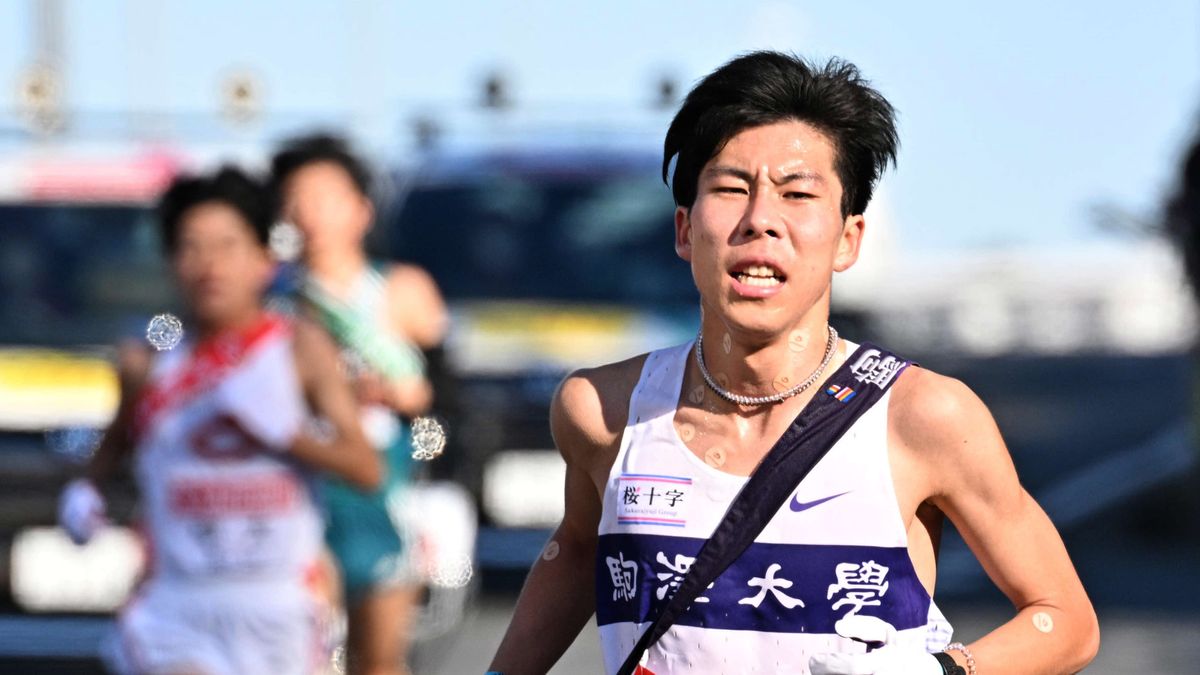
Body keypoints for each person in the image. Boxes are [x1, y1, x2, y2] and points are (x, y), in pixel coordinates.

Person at [487, 51, 1099, 675]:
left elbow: (1065, 621)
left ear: (848, 239)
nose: (760, 221)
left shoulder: (923, 417)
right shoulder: (603, 412)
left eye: (797, 193)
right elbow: (580, 552)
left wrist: (943, 671)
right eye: (730, 189)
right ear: (683, 229)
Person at [58, 166, 381, 675]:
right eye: (191, 247)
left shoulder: (299, 348)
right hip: (177, 604)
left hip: (278, 607)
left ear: (263, 259)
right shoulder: (149, 361)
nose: (209, 265)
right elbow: (118, 444)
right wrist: (85, 496)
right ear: (170, 261)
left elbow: (365, 468)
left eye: (227, 246)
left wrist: (286, 436)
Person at [271, 134, 450, 675]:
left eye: (325, 196)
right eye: (296, 198)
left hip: (388, 496)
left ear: (362, 209)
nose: (310, 214)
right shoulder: (271, 301)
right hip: (304, 498)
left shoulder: (403, 291)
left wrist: (404, 400)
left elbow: (445, 405)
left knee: (380, 660)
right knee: (310, 656)